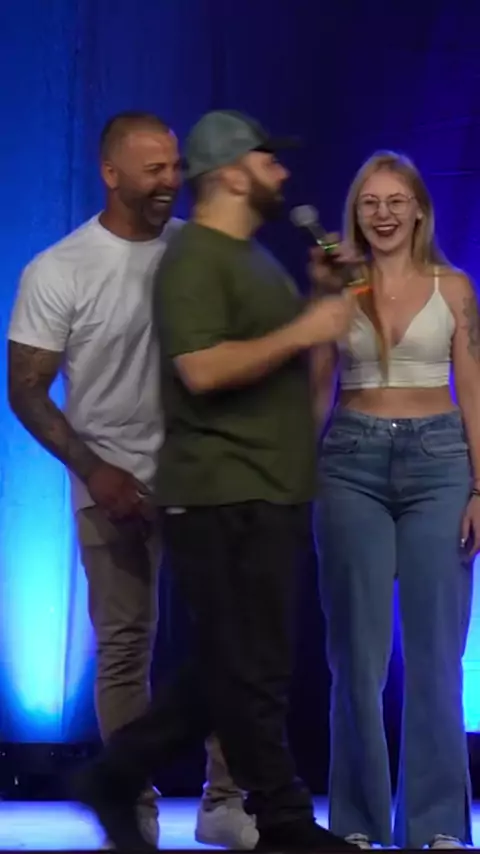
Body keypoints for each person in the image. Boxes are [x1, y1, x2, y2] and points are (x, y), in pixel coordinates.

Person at [73, 109, 357, 852]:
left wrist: (317, 311)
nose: (282, 172)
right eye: (268, 160)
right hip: (220, 494)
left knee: (241, 669)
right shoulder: (195, 258)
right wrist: (305, 328)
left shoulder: (253, 261)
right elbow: (198, 369)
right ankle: (280, 818)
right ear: (230, 173)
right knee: (243, 670)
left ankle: (119, 773)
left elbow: (299, 392)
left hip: (269, 490)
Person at [7, 111, 253, 850]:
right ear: (110, 173)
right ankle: (132, 804)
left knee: (232, 644)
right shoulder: (61, 268)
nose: (171, 181)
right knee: (123, 648)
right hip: (112, 485)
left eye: (175, 166)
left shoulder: (196, 251)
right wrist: (94, 469)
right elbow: (25, 389)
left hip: (203, 480)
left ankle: (226, 801)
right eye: (154, 169)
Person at [313, 150, 480, 849]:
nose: (382, 215)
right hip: (351, 459)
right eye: (369, 203)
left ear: (418, 211)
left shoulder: (454, 287)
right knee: (357, 654)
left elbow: (472, 387)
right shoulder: (338, 288)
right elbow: (316, 384)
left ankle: (436, 824)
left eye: (395, 202)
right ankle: (357, 823)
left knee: (437, 654)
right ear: (356, 213)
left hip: (439, 462)